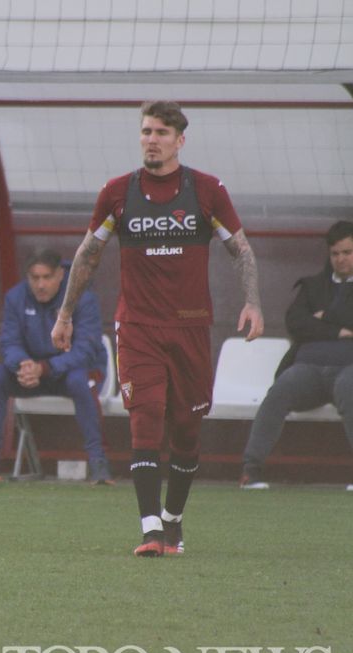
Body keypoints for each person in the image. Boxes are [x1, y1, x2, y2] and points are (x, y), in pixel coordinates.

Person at [51, 100, 264, 557]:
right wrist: (65, 314)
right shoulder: (116, 192)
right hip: (138, 326)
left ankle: (173, 520)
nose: (152, 139)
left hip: (189, 329)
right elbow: (88, 254)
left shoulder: (206, 191)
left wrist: (252, 303)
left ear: (180, 140)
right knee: (144, 418)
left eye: (162, 132)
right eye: (146, 131)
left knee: (186, 429)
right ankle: (150, 530)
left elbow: (241, 250)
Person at [0, 248, 112, 484]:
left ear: (61, 275)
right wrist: (23, 365)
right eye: (35, 278)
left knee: (81, 381)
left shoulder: (82, 298)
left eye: (47, 277)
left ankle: (98, 462)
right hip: (33, 372)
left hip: (74, 372)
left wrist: (45, 367)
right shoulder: (15, 297)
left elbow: (86, 350)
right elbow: (9, 341)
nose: (40, 285)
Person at [240, 220, 353, 489]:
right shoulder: (313, 286)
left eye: (347, 253)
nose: (341, 259)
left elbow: (312, 323)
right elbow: (296, 322)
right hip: (308, 369)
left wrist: (325, 317)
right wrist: (340, 330)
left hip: (348, 368)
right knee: (279, 391)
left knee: (351, 390)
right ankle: (250, 471)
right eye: (335, 253)